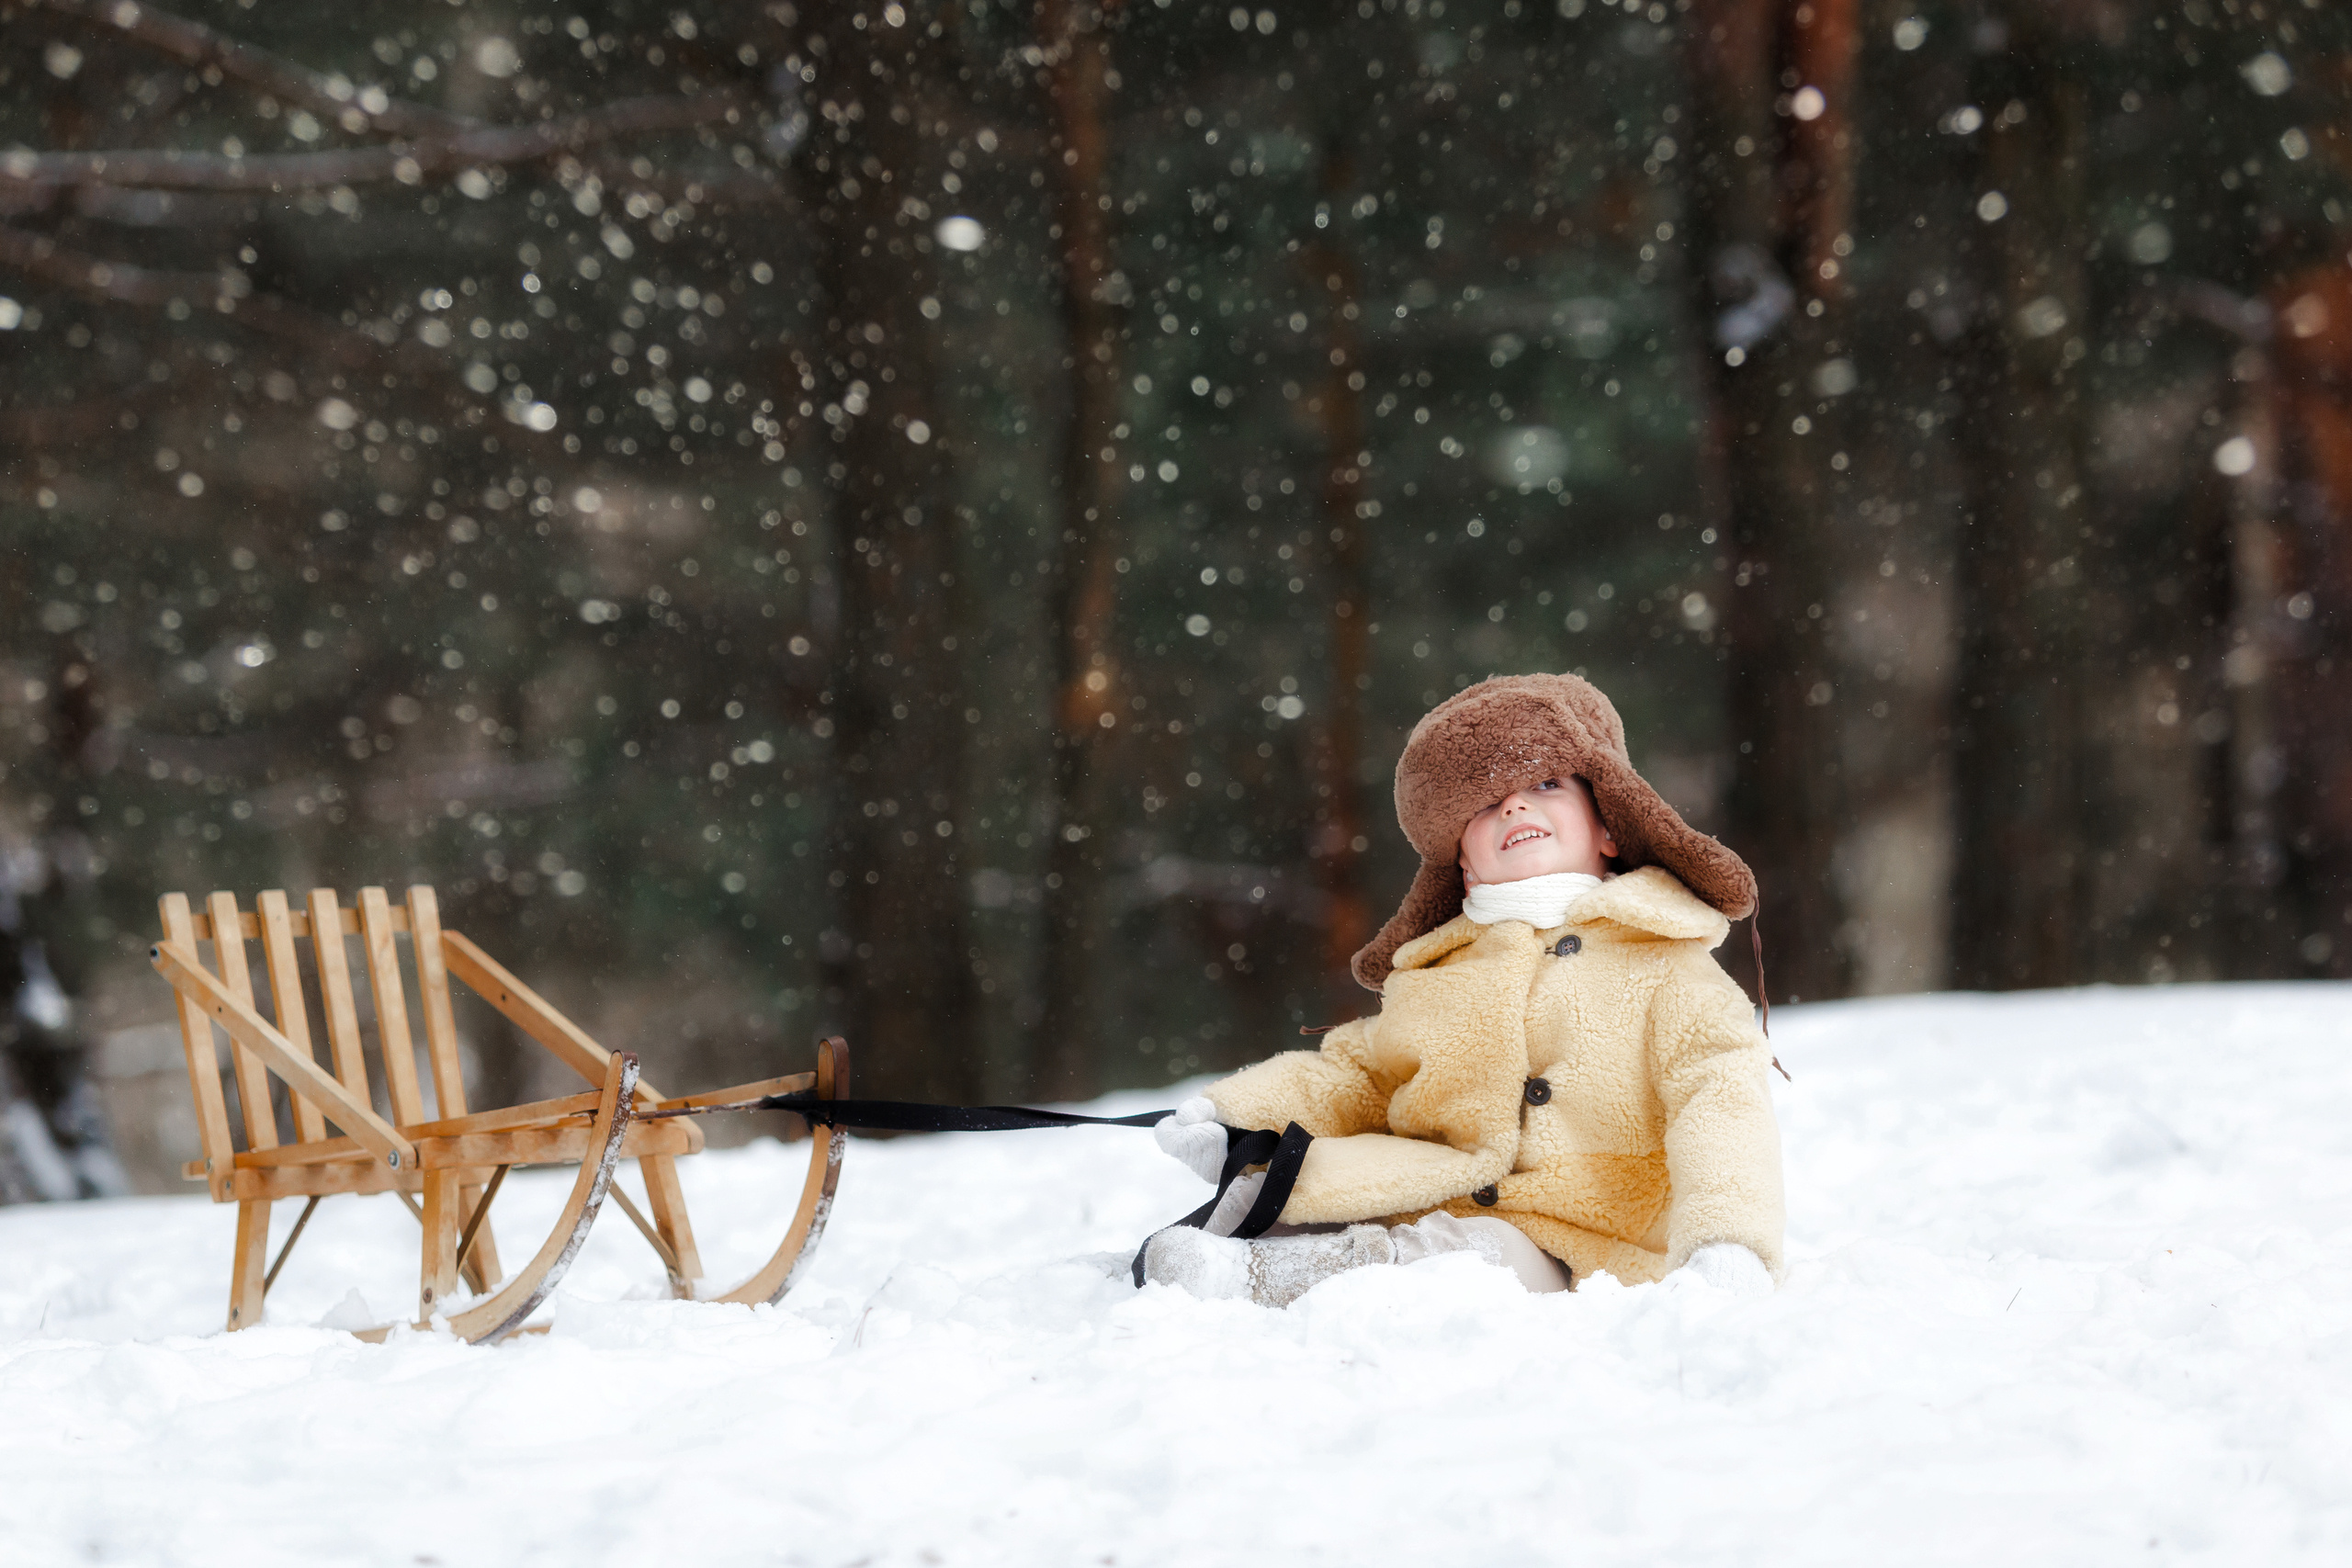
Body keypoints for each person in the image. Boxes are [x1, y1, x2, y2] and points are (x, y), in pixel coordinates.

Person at [1142, 671, 1784, 1307]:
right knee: (1278, 1197)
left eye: (1545, 783)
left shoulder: (1667, 967)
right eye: (1484, 802)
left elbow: (1723, 1104)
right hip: (1426, 1201)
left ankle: (1255, 1280)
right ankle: (1190, 1258)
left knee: (1471, 1258)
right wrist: (1236, 1117)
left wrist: (1729, 1243)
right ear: (1465, 867)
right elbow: (1356, 1077)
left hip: (1582, 1246)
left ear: (1609, 827)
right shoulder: (1440, 974)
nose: (1513, 805)